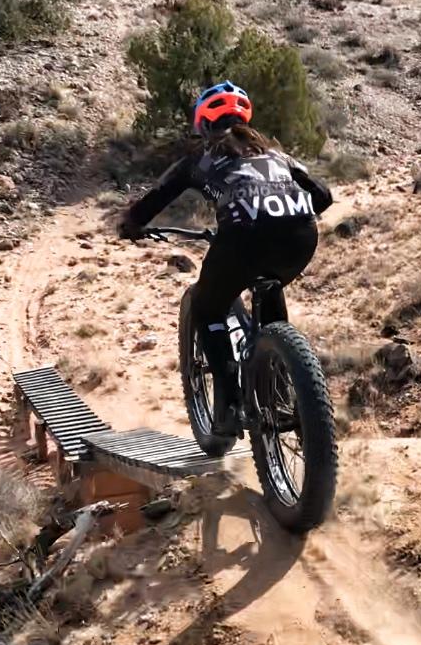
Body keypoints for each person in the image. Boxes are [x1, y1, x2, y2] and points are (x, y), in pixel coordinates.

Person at [118, 81, 333, 435]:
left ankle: (229, 406)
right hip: (300, 237)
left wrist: (131, 225)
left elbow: (156, 197)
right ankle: (280, 386)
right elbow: (323, 196)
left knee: (206, 306)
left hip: (242, 237)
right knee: (270, 283)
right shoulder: (279, 156)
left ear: (203, 124)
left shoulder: (200, 158)